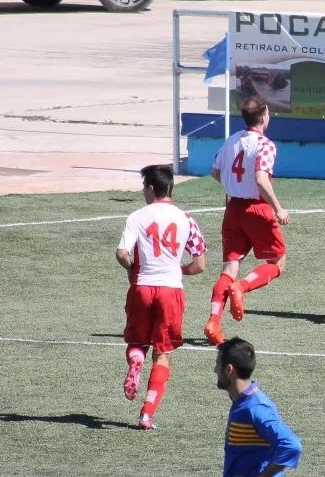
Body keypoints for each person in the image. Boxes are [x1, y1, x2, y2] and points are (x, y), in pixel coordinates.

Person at [116, 164, 207, 429]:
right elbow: (200, 264)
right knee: (163, 352)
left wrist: (133, 268)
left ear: (150, 188)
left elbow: (122, 253)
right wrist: (178, 270)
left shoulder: (137, 216)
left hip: (142, 287)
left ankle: (136, 360)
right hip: (171, 290)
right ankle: (147, 414)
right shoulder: (186, 219)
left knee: (137, 342)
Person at [204, 96, 290, 346]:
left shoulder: (232, 140)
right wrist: (278, 208)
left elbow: (215, 171)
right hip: (256, 208)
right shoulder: (265, 145)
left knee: (229, 268)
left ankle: (213, 321)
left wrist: (233, 186)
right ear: (263, 117)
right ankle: (241, 287)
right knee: (278, 262)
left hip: (233, 209)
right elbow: (261, 179)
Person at [217, 337, 302, 476]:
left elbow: (292, 445)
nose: (215, 370)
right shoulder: (242, 402)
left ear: (229, 370)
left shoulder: (255, 407)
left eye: (218, 365)